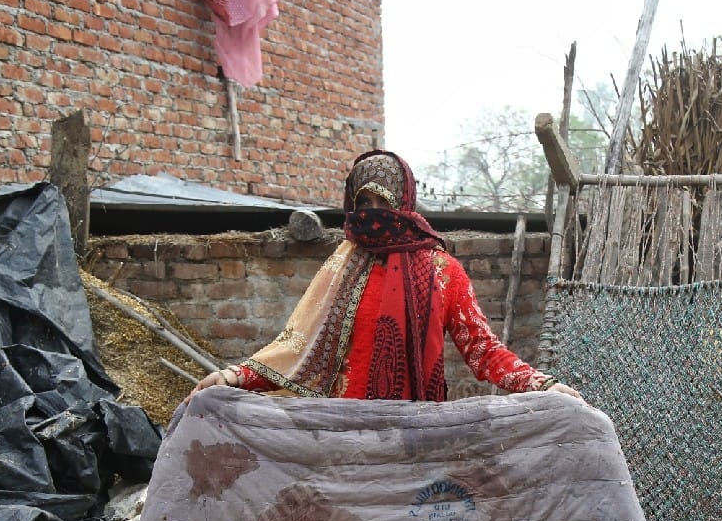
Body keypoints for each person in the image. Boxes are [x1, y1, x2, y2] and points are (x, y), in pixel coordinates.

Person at [187, 150, 582, 402]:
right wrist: (233, 377)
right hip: (339, 437)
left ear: (404, 202)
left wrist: (542, 384)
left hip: (414, 437)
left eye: (385, 202)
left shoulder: (442, 272)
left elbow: (483, 349)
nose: (374, 213)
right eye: (364, 203)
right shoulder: (341, 266)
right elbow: (297, 347)